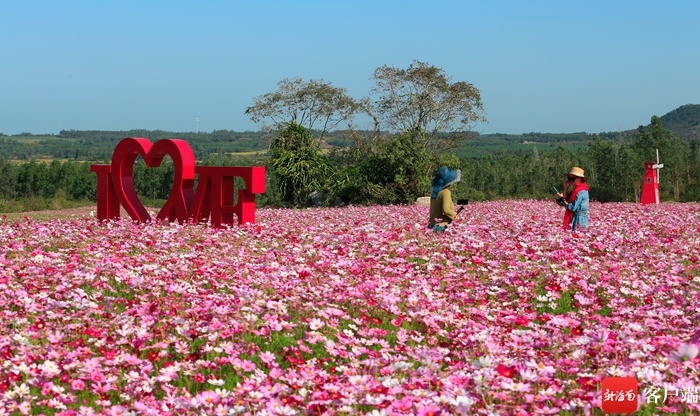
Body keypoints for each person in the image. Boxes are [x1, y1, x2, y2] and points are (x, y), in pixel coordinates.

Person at [428, 166, 461, 233]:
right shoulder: (446, 192)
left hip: (431, 225)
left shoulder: (435, 193)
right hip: (441, 227)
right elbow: (446, 210)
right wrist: (455, 216)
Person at [556, 166, 589, 231]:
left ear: (579, 179)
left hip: (580, 219)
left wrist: (563, 200)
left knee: (579, 236)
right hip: (575, 217)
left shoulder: (581, 192)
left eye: (572, 178)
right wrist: (566, 188)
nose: (570, 180)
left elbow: (573, 207)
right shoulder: (575, 190)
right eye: (569, 178)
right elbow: (566, 199)